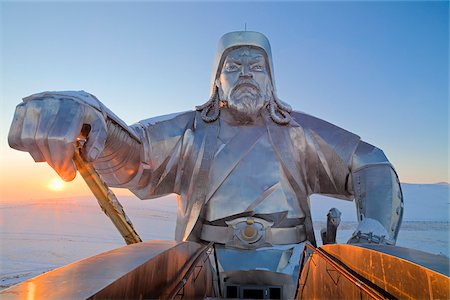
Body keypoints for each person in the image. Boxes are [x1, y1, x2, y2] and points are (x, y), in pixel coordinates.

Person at [8, 31, 403, 298]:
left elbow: (370, 163)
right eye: (234, 66)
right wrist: (86, 113)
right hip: (203, 265)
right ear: (216, 80)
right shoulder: (191, 131)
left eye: (257, 65)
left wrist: (375, 227)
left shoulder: (298, 132)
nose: (246, 73)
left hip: (295, 265)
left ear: (272, 79)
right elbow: (133, 153)